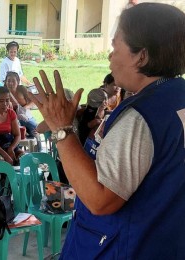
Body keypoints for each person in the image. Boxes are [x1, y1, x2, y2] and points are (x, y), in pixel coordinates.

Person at [28, 3, 185, 258]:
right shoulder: (177, 97)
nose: (110, 57)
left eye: (115, 47)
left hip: (124, 247)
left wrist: (62, 130)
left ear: (141, 56)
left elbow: (100, 200)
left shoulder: (140, 118)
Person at [78, 73, 118, 145]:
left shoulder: (121, 93)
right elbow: (87, 125)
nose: (118, 88)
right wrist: (98, 121)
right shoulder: (96, 100)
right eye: (115, 85)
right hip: (88, 140)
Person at [4, 71, 37, 138]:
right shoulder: (3, 92)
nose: (10, 83)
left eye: (13, 81)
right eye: (8, 81)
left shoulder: (22, 89)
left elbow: (34, 101)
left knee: (35, 129)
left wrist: (25, 107)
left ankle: (37, 147)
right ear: (5, 82)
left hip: (26, 117)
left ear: (18, 82)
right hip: (12, 120)